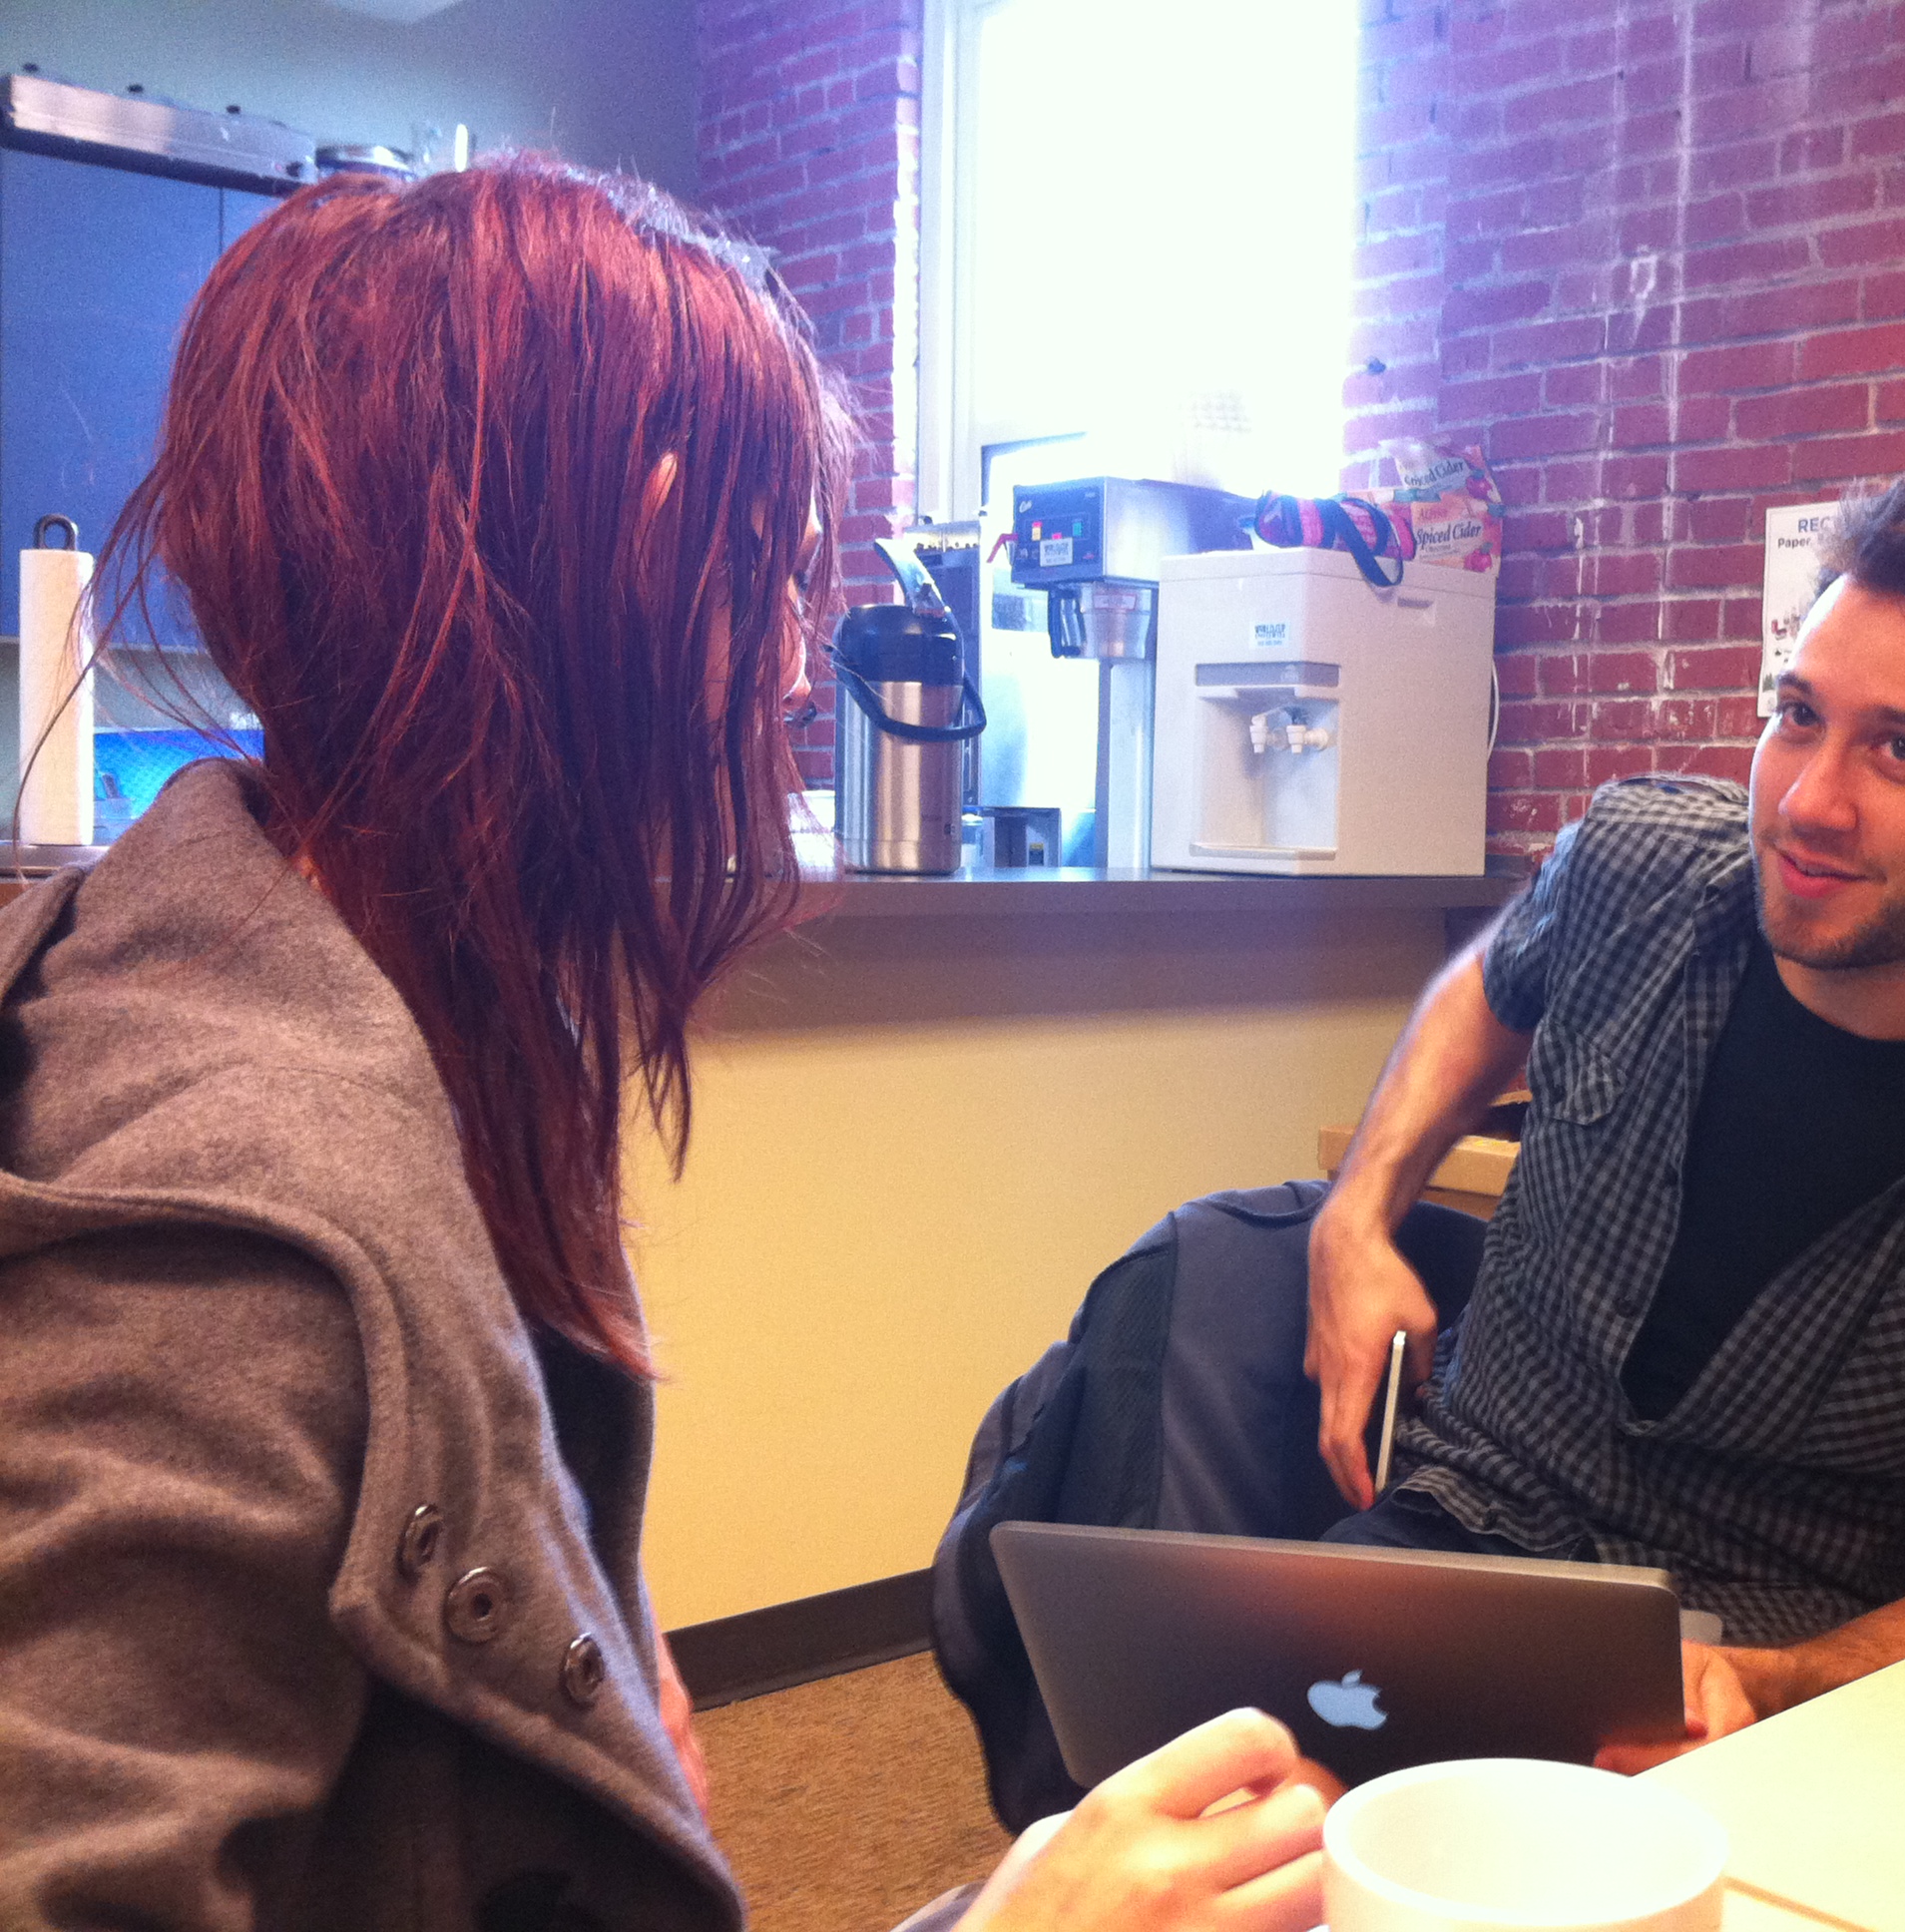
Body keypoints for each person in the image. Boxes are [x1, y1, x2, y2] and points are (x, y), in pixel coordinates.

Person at [0, 160, 1321, 1930]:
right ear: (602, 568)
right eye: (761, 575)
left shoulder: (404, 1001)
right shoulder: (226, 1248)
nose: (792, 664)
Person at [1305, 478, 1905, 1770]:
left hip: (1796, 1680)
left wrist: (1747, 1682)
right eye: (1797, 716)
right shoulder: (1634, 870)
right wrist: (1359, 1211)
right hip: (1468, 1538)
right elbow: (1488, 990)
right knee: (1209, 1839)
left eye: (1902, 750)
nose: (1808, 801)